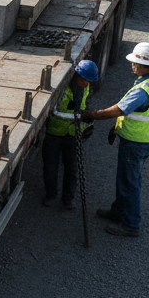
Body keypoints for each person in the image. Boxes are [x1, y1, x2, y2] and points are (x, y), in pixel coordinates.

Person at [79, 42, 149, 238]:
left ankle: (131, 224)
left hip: (136, 142)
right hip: (143, 140)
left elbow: (119, 109)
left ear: (145, 65)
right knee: (127, 178)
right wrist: (117, 128)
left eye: (135, 63)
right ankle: (118, 211)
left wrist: (92, 114)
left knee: (130, 181)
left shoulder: (142, 89)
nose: (132, 66)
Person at [43, 60, 99, 209]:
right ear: (76, 76)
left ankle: (68, 199)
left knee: (72, 168)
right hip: (54, 133)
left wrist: (88, 124)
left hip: (74, 134)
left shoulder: (86, 90)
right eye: (84, 80)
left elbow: (86, 107)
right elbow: (55, 112)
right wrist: (82, 116)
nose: (86, 83)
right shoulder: (62, 89)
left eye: (89, 81)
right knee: (50, 167)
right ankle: (51, 195)